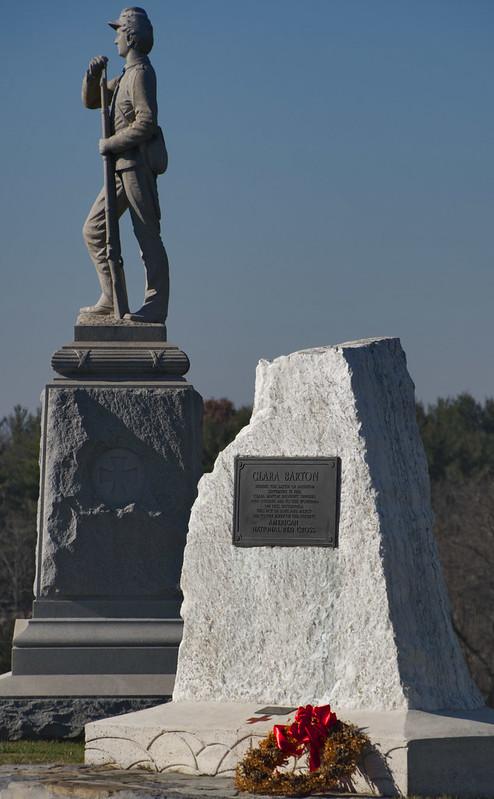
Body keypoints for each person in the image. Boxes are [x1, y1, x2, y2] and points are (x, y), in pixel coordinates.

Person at [81, 7, 169, 324]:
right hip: (119, 169)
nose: (116, 37)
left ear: (130, 36)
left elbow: (146, 123)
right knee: (94, 230)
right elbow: (93, 101)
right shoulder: (123, 78)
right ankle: (110, 297)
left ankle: (156, 305)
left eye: (119, 31)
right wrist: (92, 76)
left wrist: (110, 144)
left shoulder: (142, 74)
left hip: (135, 166)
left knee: (147, 237)